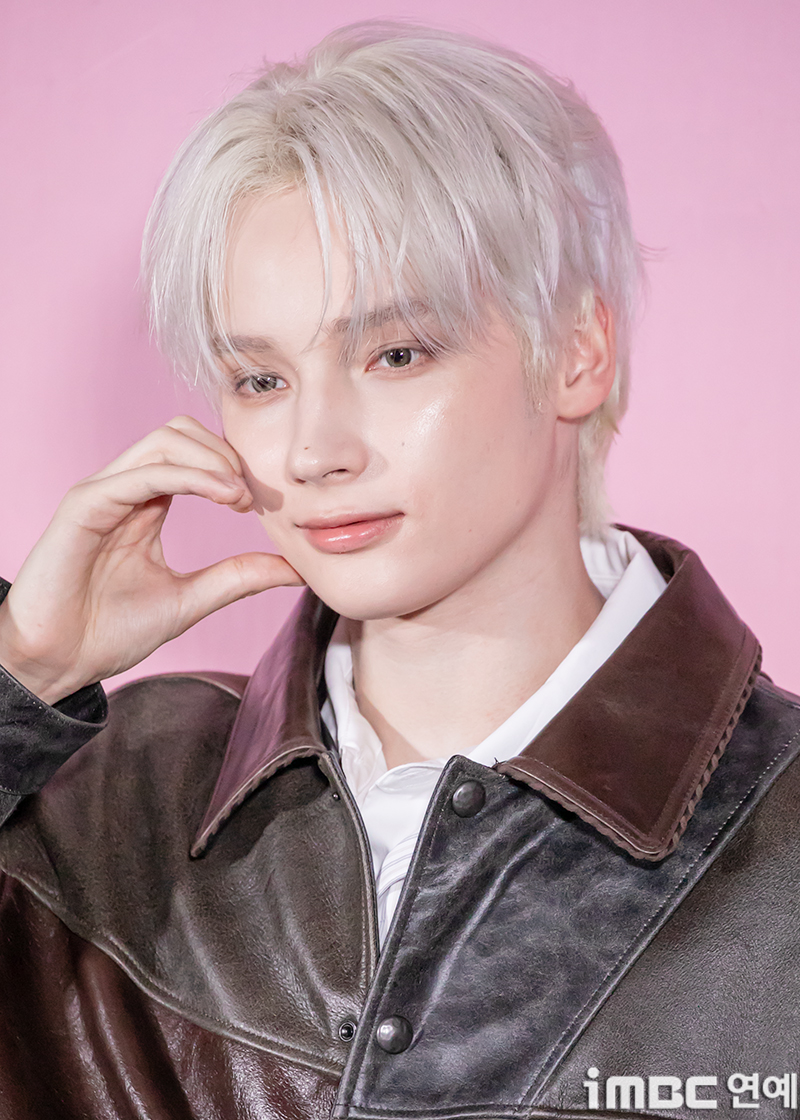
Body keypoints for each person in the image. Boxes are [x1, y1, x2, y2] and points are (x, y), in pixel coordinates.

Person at [0, 20, 798, 1120]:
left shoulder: (780, 833)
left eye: (396, 354)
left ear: (577, 350)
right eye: (259, 378)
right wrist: (20, 674)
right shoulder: (100, 799)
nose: (313, 451)